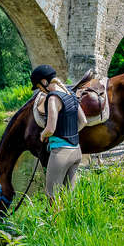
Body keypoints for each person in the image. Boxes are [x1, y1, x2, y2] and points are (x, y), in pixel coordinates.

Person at [30, 64, 88, 202]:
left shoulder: (53, 98)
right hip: (76, 151)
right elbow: (83, 121)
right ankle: (68, 222)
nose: (41, 91)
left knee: (52, 196)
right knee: (69, 197)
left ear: (44, 82)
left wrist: (42, 135)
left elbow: (50, 128)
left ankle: (54, 223)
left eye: (39, 87)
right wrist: (69, 135)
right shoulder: (71, 95)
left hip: (61, 154)